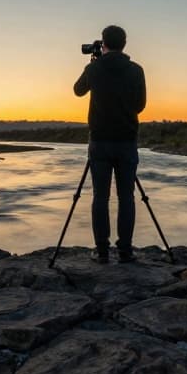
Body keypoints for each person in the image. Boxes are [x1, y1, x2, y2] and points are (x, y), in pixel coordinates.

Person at [73, 24, 146, 264]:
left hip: (100, 141)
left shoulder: (94, 69)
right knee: (127, 197)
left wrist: (94, 63)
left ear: (103, 44)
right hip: (126, 140)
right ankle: (125, 251)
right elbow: (140, 105)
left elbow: (77, 91)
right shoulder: (136, 70)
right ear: (124, 44)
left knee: (100, 197)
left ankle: (102, 251)